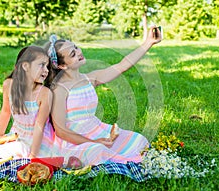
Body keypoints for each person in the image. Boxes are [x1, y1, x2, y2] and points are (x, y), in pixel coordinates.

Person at [44, 26, 162, 166]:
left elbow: (122, 66)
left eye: (76, 48)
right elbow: (61, 131)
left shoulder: (90, 78)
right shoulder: (59, 89)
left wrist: (149, 42)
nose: (79, 52)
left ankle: (110, 154)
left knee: (139, 141)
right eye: (72, 54)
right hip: (74, 141)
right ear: (62, 66)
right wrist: (93, 142)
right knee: (98, 151)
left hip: (97, 131)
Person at [0, 45, 56, 159]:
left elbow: (40, 126)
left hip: (38, 141)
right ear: (25, 66)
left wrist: (33, 156)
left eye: (47, 66)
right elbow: (5, 111)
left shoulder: (44, 93)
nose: (46, 70)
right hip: (16, 135)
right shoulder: (9, 85)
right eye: (42, 65)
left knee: (17, 149)